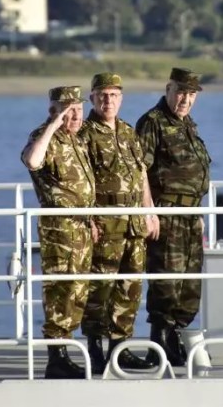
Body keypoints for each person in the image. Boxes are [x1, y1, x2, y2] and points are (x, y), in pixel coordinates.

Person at [78, 72, 160, 374]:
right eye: (102, 95)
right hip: (105, 223)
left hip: (133, 224)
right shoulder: (85, 133)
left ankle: (119, 348)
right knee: (100, 288)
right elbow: (82, 182)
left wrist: (150, 212)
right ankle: (94, 348)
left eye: (113, 95)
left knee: (130, 287)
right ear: (92, 98)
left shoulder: (127, 131)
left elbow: (141, 175)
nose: (108, 101)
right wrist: (88, 219)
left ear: (121, 99)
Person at [20, 85, 99, 379]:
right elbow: (32, 161)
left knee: (77, 290)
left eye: (79, 110)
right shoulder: (46, 137)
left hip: (82, 227)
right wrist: (54, 123)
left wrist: (91, 219)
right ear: (53, 111)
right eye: (69, 111)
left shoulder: (75, 140)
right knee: (61, 290)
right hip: (60, 230)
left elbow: (81, 187)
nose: (76, 116)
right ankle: (56, 358)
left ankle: (65, 353)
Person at [135, 67, 211, 366]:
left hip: (190, 214)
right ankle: (159, 344)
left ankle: (175, 338)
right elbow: (140, 170)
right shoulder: (153, 122)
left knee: (189, 285)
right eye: (181, 92)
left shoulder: (187, 124)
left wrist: (197, 211)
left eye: (191, 94)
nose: (185, 99)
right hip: (167, 213)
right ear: (168, 89)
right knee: (167, 280)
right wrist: (149, 211)